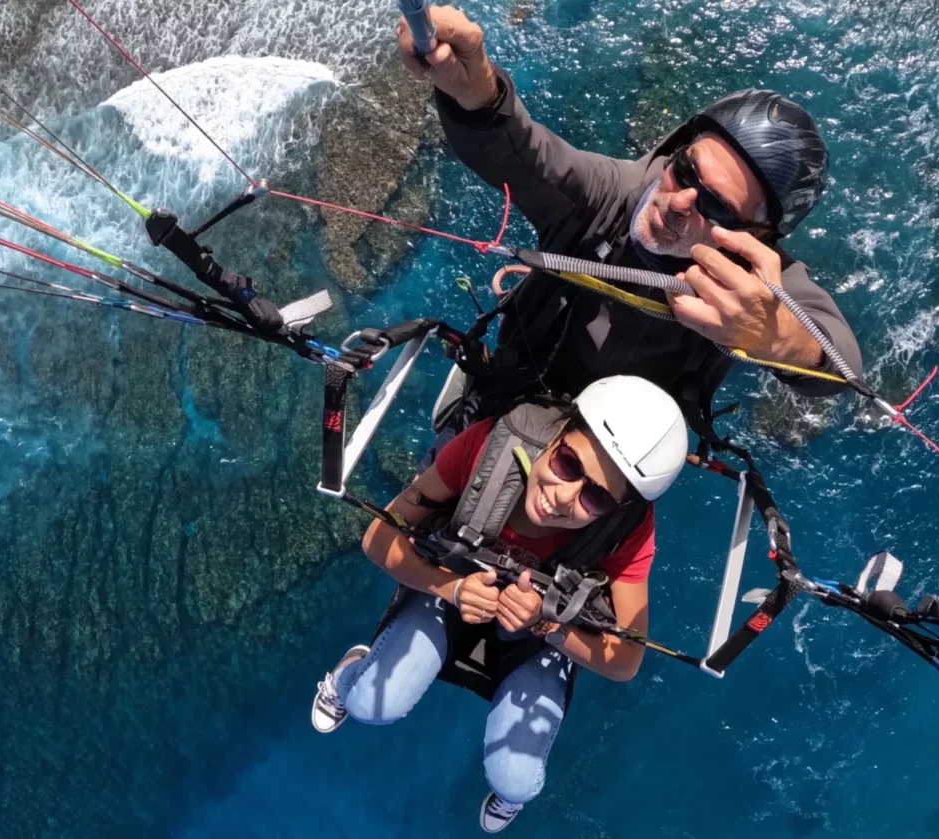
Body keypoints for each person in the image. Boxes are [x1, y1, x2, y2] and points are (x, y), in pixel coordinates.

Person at [396, 6, 865, 442]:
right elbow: (522, 152)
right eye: (685, 170)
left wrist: (784, 340)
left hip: (616, 454)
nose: (679, 201)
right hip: (514, 387)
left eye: (716, 207)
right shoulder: (611, 195)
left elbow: (843, 362)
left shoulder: (758, 286)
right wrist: (473, 90)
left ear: (756, 237)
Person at [311, 376, 689, 833]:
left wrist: (547, 625)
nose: (562, 498)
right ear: (555, 436)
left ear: (617, 509)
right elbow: (379, 537)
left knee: (517, 781)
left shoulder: (629, 528)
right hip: (449, 591)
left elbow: (626, 660)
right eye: (568, 463)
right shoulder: (490, 444)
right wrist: (448, 587)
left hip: (537, 631)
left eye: (595, 497)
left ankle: (510, 793)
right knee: (373, 706)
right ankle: (351, 673)